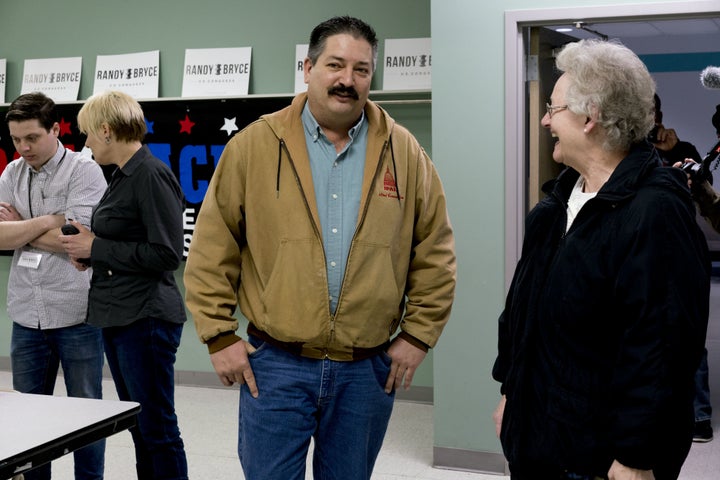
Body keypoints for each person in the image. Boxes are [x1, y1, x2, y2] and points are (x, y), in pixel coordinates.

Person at [183, 15, 456, 480]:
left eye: (362, 70)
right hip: (275, 366)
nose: (347, 80)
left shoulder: (405, 152)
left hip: (365, 371)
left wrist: (418, 335)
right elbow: (212, 247)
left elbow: (435, 252)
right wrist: (218, 334)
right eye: (335, 65)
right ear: (307, 68)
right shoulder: (254, 145)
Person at [492, 39, 710, 480]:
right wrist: (510, 392)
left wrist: (636, 455)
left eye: (553, 109)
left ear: (590, 118)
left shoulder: (656, 213)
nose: (544, 120)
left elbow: (662, 349)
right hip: (539, 437)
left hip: (603, 456)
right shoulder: (553, 209)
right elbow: (521, 316)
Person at [59, 90, 188, 480]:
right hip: (120, 316)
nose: (86, 145)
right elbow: (124, 242)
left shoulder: (150, 174)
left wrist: (97, 246)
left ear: (106, 130)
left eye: (88, 135)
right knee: (141, 427)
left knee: (158, 430)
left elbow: (167, 254)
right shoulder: (121, 176)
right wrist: (90, 249)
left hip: (145, 317)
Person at [2, 92, 107, 480]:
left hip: (76, 312)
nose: (23, 147)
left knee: (87, 416)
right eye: (15, 139)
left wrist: (21, 227)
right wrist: (48, 219)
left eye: (31, 137)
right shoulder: (11, 173)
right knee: (28, 419)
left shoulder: (84, 170)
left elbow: (77, 241)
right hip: (26, 314)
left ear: (56, 129)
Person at [652, 94, 713, 443]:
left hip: (682, 246)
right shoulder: (627, 149)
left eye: (654, 112)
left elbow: (704, 190)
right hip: (648, 249)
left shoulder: (681, 147)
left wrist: (676, 153)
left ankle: (699, 414)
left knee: (690, 332)